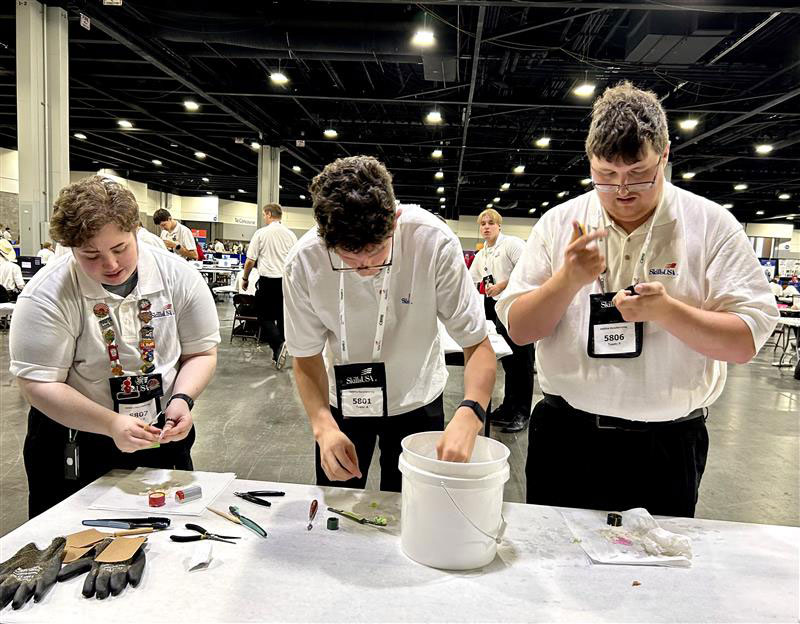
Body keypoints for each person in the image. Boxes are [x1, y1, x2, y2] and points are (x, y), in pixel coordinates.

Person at [495, 82, 779, 518]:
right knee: (552, 574)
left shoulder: (711, 224)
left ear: (665, 153)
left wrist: (668, 312)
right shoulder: (559, 223)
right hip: (568, 438)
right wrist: (568, 280)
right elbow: (520, 328)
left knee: (652, 581)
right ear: (591, 161)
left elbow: (744, 343)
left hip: (666, 447)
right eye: (606, 176)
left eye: (639, 174)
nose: (622, 190)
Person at [9, 176, 220, 517]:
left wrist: (182, 398)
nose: (110, 265)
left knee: (166, 529)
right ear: (71, 248)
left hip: (159, 430)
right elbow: (37, 384)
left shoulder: (179, 277)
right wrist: (109, 424)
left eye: (120, 248)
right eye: (90, 255)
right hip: (73, 439)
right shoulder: (46, 294)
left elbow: (201, 353)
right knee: (70, 541)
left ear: (136, 230)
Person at [283, 155, 496, 493]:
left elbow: (477, 343)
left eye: (376, 253)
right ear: (325, 237)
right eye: (349, 259)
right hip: (345, 403)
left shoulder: (433, 241)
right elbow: (305, 355)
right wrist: (322, 425)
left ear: (394, 221)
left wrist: (471, 410)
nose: (364, 268)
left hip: (418, 399)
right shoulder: (303, 261)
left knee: (412, 509)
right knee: (338, 504)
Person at [469, 209, 533, 433]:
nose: (486, 227)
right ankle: (509, 406)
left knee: (523, 361)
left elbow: (528, 270)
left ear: (499, 225)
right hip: (498, 310)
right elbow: (471, 278)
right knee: (509, 362)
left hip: (520, 308)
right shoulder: (483, 252)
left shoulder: (512, 245)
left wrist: (502, 285)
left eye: (490, 223)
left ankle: (522, 412)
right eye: (482, 224)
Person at [242, 203, 297, 369]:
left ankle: (279, 344)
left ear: (268, 214)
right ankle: (277, 354)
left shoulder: (261, 233)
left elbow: (250, 260)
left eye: (264, 215)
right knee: (281, 317)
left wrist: (245, 278)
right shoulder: (291, 235)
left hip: (268, 281)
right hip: (286, 282)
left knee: (264, 317)